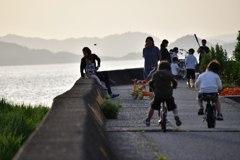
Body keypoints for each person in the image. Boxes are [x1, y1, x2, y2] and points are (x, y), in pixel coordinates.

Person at [143, 61, 182, 126]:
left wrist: (154, 88)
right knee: (173, 106)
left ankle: (148, 120)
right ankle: (176, 116)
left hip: (158, 94)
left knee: (153, 106)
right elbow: (174, 82)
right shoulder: (170, 74)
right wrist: (173, 87)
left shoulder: (156, 74)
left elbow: (150, 83)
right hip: (168, 94)